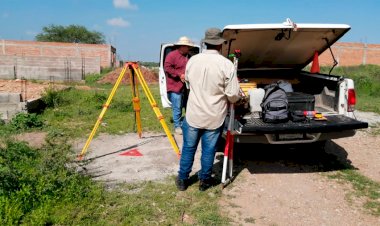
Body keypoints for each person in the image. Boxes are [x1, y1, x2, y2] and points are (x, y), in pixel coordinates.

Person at [175, 28, 241, 191]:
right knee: (209, 150)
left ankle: (183, 180)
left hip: (193, 114)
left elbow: (188, 84)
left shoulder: (192, 60)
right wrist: (238, 98)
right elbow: (233, 95)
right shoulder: (226, 64)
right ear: (220, 45)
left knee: (188, 148)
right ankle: (204, 182)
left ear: (206, 43)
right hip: (214, 115)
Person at [164, 36, 194, 135]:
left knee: (188, 105)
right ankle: (177, 126)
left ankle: (187, 123)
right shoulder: (172, 55)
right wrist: (179, 74)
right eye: (187, 46)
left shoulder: (189, 56)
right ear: (182, 46)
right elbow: (167, 68)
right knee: (177, 107)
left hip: (187, 86)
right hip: (175, 86)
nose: (188, 48)